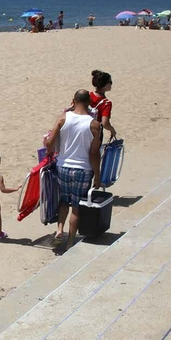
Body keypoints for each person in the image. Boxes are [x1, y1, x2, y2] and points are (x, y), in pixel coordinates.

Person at [46, 90, 102, 253]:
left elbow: (49, 143)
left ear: (73, 101)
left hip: (63, 166)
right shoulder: (94, 124)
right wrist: (97, 175)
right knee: (76, 207)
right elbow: (94, 153)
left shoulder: (63, 118)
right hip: (83, 169)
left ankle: (59, 230)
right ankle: (70, 241)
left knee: (64, 200)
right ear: (90, 103)